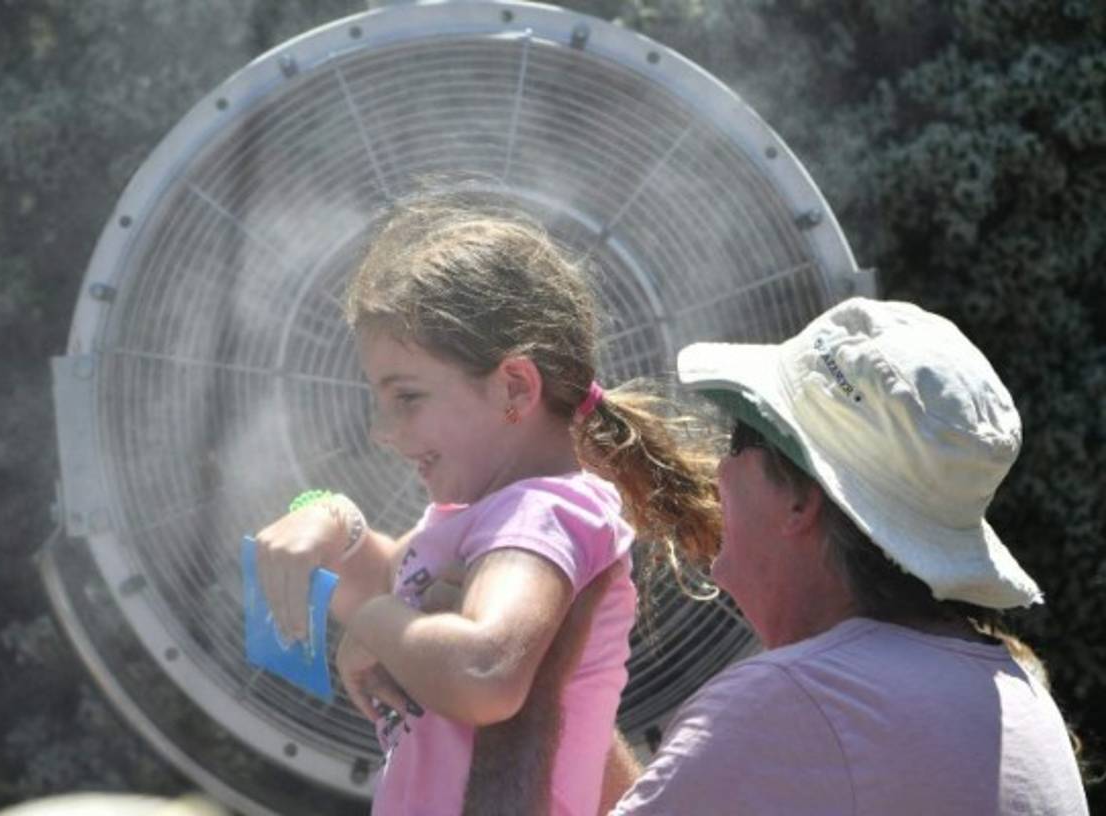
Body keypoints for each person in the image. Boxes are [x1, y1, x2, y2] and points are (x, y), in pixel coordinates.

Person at [254, 198, 721, 815]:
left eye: (408, 398)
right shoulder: (491, 513)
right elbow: (408, 582)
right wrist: (331, 521)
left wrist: (372, 621)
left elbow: (484, 672)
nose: (384, 432)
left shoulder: (541, 514)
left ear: (514, 388)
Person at [606, 297, 1089, 814]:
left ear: (800, 500)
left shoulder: (788, 703)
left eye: (738, 437)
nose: (719, 470)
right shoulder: (1015, 695)